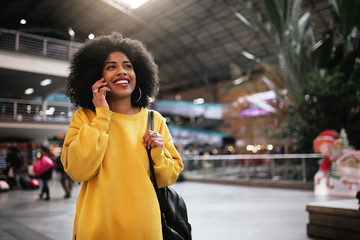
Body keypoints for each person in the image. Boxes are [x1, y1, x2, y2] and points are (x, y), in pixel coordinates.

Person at [61, 32, 184, 239]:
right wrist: (102, 116)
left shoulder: (154, 120)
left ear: (139, 73)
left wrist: (157, 152)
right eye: (111, 66)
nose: (122, 71)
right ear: (96, 76)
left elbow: (168, 178)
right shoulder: (85, 118)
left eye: (128, 66)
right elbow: (77, 170)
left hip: (145, 228)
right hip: (98, 228)